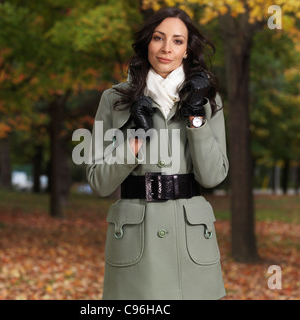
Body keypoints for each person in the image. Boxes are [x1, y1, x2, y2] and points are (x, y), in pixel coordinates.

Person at [86, 7, 228, 300]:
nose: (166, 49)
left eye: (177, 41)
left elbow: (213, 176)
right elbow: (99, 182)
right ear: (146, 43)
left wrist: (195, 116)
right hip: (137, 243)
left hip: (191, 245)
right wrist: (137, 135)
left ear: (187, 50)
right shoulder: (114, 99)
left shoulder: (208, 100)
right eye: (158, 38)